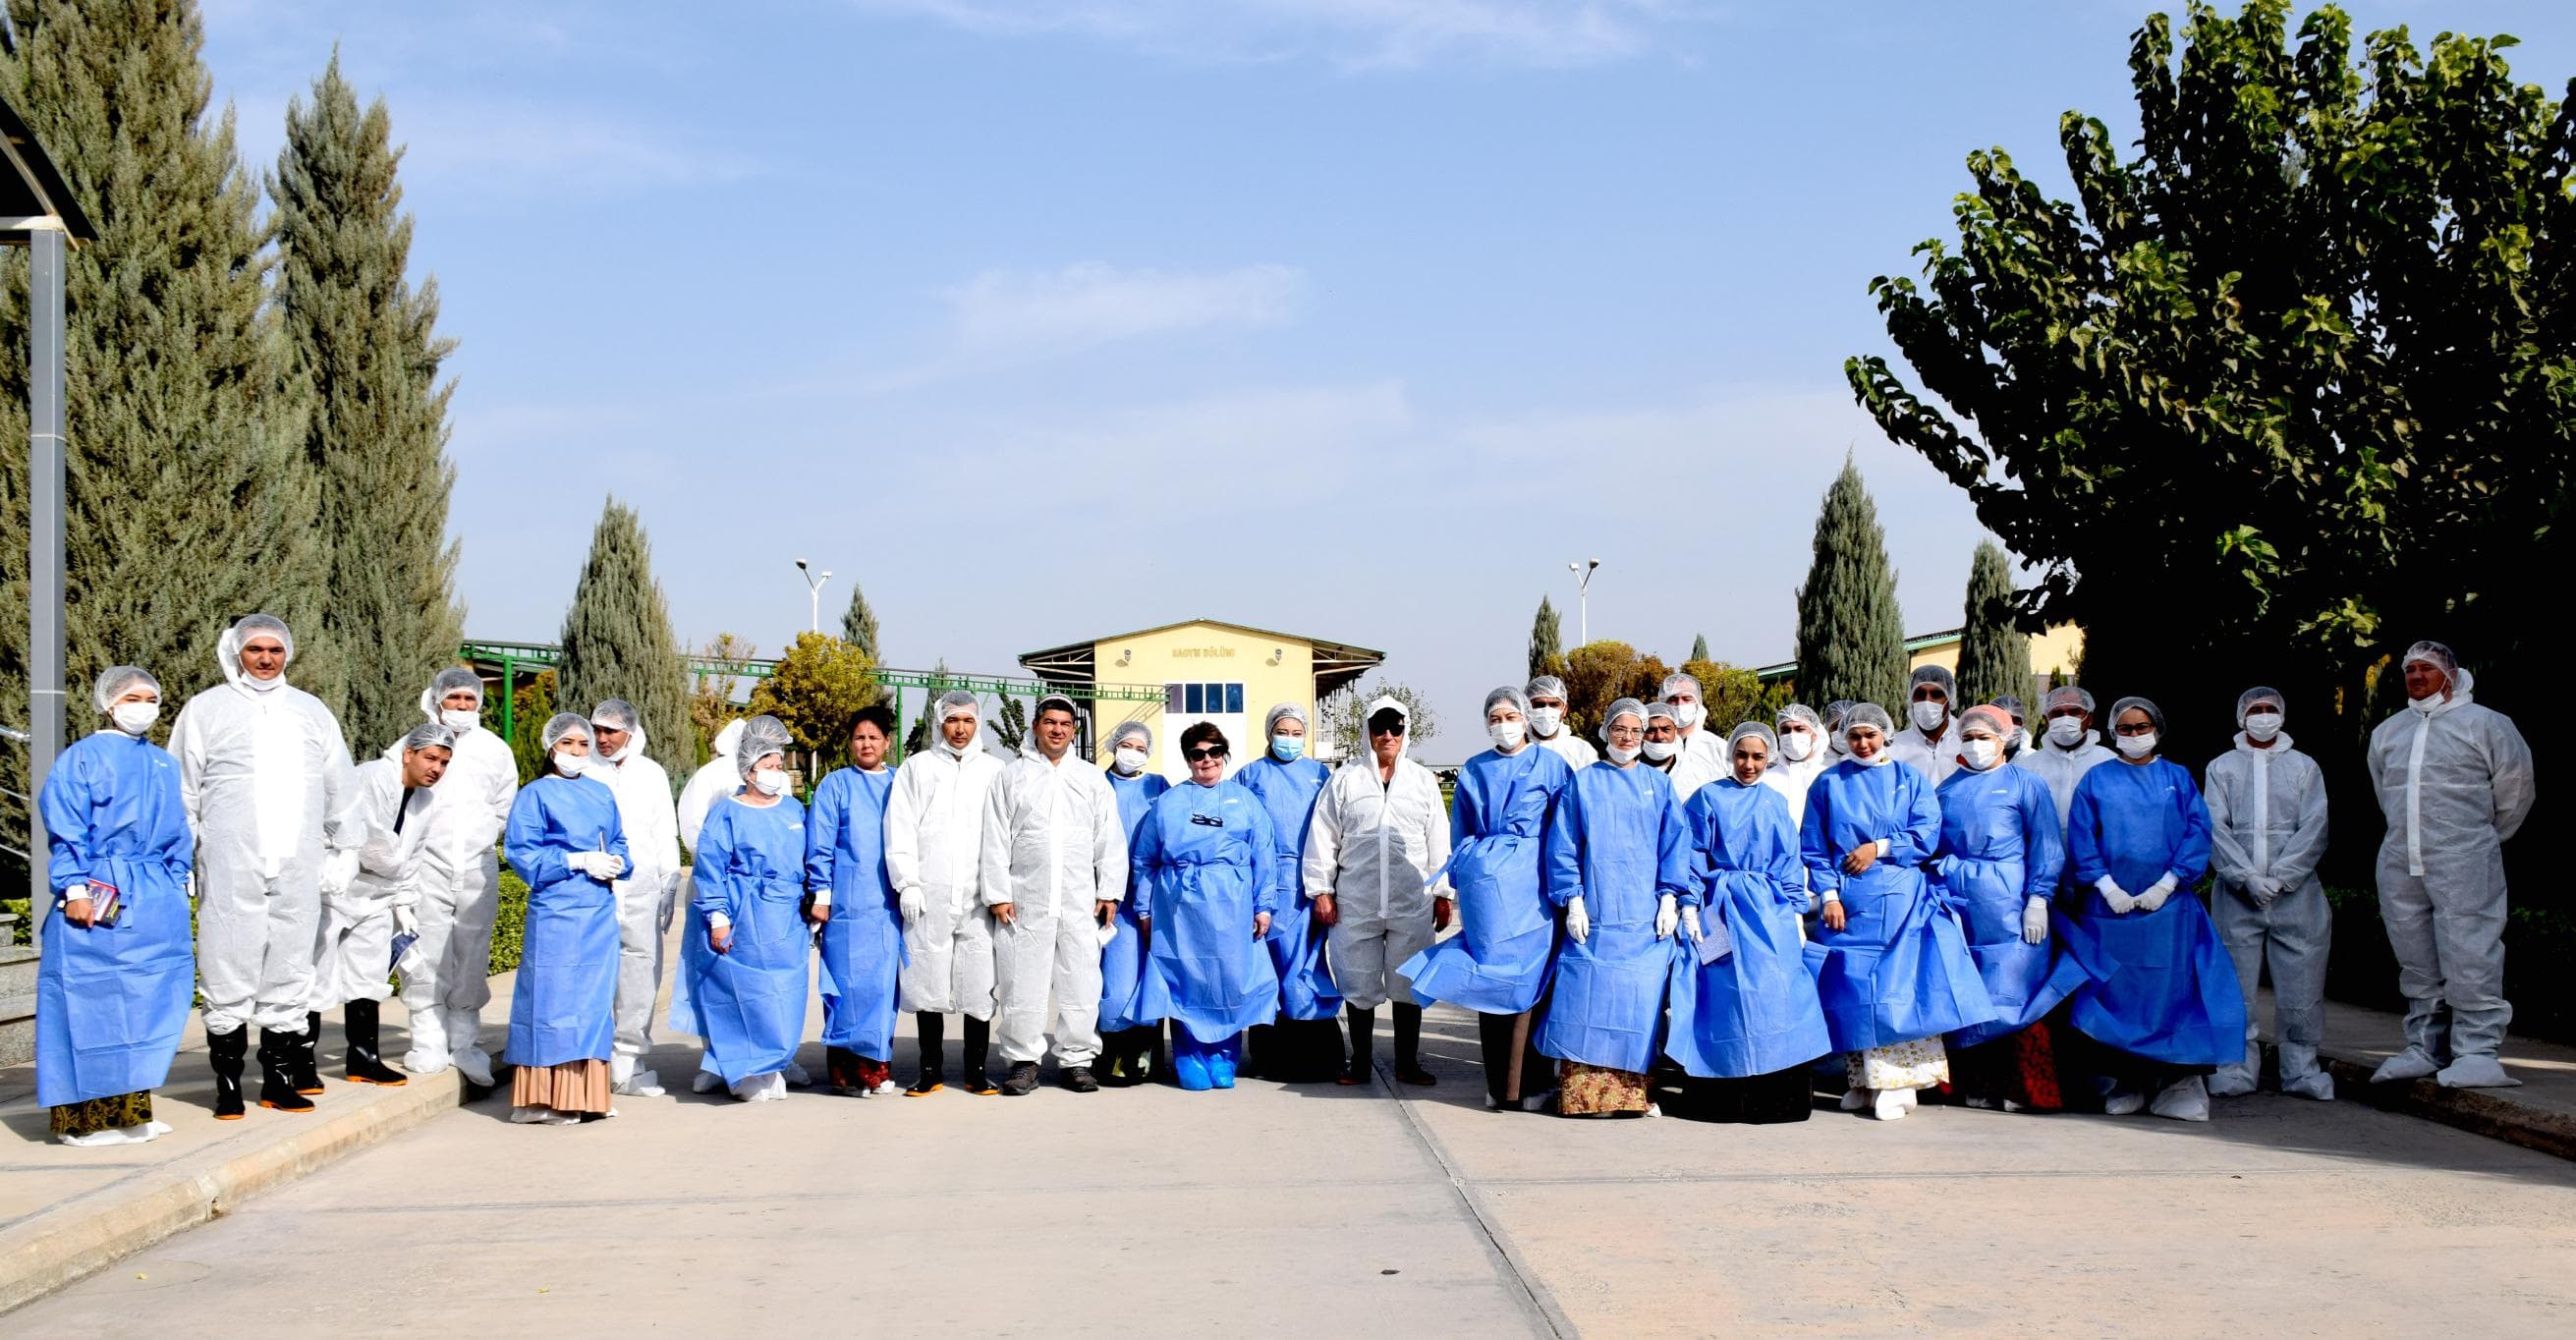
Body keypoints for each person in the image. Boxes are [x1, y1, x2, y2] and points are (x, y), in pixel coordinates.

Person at [172, 613, 360, 1115]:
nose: (265, 658)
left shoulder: (310, 711)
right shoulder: (206, 710)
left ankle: (277, 1077)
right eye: (255, 649)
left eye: (275, 650)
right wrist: (181, 853)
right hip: (230, 859)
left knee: (290, 964)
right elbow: (184, 788)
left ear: (287, 655)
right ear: (236, 652)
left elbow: (339, 783)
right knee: (226, 961)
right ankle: (228, 1081)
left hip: (297, 860)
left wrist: (346, 848)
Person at [1804, 704, 1995, 1121]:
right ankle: (1864, 1078)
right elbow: (1815, 848)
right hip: (1849, 905)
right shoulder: (1828, 784)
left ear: (1885, 735)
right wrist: (1830, 896)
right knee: (1853, 989)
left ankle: (1900, 1082)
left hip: (1902, 900)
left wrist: (1880, 847)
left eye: (1870, 735)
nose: (1863, 743)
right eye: (1854, 736)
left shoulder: (1908, 780)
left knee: (1898, 990)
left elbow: (1927, 833)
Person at [2057, 698, 2243, 1122]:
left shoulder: (2176, 778)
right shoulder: (2097, 780)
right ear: (2112, 731)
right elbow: (2083, 837)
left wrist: (2168, 882)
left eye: (2142, 727)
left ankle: (2177, 1083)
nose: (2134, 734)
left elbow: (2198, 833)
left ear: (2157, 729)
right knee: (2119, 996)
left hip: (2169, 914)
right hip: (2110, 914)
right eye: (2126, 728)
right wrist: (2105, 884)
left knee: (2172, 993)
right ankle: (2128, 1081)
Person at [2366, 642, 2536, 1089]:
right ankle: (2426, 1046)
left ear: (2452, 674)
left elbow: (2515, 794)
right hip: (2402, 857)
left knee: (2471, 952)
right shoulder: (2389, 732)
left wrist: (2475, 841)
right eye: (2410, 669)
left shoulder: (2487, 725)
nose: (2417, 676)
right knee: (2416, 957)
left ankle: (2477, 1051)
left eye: (2427, 668)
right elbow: (2387, 795)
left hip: (2465, 858)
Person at [34, 667, 195, 1143]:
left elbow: (176, 832)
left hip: (152, 896)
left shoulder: (164, 765)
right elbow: (67, 827)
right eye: (132, 697)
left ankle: (131, 1113)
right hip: (99, 889)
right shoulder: (80, 759)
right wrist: (75, 889)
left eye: (151, 698)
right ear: (108, 702)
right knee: (92, 1003)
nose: (143, 706)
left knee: (147, 1000)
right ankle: (82, 1123)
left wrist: (175, 880)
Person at [1401, 686, 1575, 1112]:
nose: (1503, 724)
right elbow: (1461, 830)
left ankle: (1533, 1084)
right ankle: (1499, 1085)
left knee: (1535, 984)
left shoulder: (1552, 767)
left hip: (1534, 887)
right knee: (1491, 980)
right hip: (1486, 889)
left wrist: (1567, 892)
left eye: (1510, 716)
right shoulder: (1475, 769)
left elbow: (1566, 832)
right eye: (1495, 717)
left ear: (1525, 718)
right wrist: (1464, 880)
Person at [1665, 722, 1833, 1123]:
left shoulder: (1774, 803)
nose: (1749, 764)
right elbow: (1691, 855)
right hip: (1718, 909)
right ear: (1730, 756)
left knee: (1776, 996)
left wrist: (1795, 910)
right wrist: (1688, 904)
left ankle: (1775, 1099)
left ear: (1769, 758)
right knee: (1721, 997)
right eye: (1742, 755)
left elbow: (1789, 859)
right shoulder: (1707, 799)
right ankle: (1721, 1097)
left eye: (1758, 757)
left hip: (1768, 911)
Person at [1537, 699, 1692, 1116]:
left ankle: (1635, 1097)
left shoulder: (1658, 786)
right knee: (1584, 1002)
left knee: (1639, 1008)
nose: (1628, 738)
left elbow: (1674, 846)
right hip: (1596, 918)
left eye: (1636, 732)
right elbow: (1565, 845)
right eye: (1620, 729)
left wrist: (1669, 898)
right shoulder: (1583, 783)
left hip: (1644, 922)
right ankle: (1584, 1098)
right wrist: (1573, 900)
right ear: (1605, 732)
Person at [1932, 705, 2078, 1111]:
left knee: (2017, 994)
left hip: (2012, 905)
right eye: (1969, 737)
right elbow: (1930, 847)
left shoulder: (2025, 785)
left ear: (2005, 740)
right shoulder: (1947, 790)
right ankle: (1975, 1086)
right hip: (1960, 903)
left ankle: (2024, 1089)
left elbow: (2046, 845)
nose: (1976, 745)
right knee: (1969, 995)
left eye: (1984, 737)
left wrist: (2038, 899)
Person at [980, 695, 1127, 1095]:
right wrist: (997, 892)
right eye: (1049, 722)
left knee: (1081, 983)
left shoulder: (1092, 778)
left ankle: (1077, 1060)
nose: (1057, 729)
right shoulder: (1012, 777)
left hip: (1080, 900)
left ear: (1074, 731)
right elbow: (994, 839)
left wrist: (1110, 891)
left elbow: (1109, 838)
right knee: (1021, 983)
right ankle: (1023, 1061)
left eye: (1064, 723)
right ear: (1036, 727)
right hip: (1024, 900)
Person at [1305, 696, 1449, 1087]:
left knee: (1408, 982)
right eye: (1379, 727)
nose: (1387, 735)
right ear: (1368, 731)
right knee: (1358, 979)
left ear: (1406, 731)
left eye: (1395, 727)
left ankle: (1407, 1064)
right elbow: (1323, 837)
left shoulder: (1422, 782)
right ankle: (1362, 1062)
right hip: (1357, 900)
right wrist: (1321, 890)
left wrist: (1442, 893)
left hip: (1411, 901)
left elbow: (1438, 841)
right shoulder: (1345, 780)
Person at [1133, 722, 1279, 1090]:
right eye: (1198, 754)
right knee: (1186, 979)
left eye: (1214, 752)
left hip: (1232, 904)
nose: (1207, 760)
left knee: (1229, 979)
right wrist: (1145, 910)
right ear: (1187, 759)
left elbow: (1264, 854)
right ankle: (1188, 1054)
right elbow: (1145, 859)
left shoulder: (1244, 800)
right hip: (1179, 908)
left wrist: (1264, 906)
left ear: (1224, 756)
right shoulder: (1169, 802)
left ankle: (1224, 1054)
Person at [2205, 686, 2333, 1100]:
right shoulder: (2222, 767)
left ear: (2282, 714)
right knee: (2235, 988)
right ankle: (2235, 1067)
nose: (2262, 715)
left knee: (2302, 985)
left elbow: (2315, 827)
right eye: (2255, 709)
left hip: (2297, 896)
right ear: (2241, 716)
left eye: (2270, 709)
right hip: (2236, 896)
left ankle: (2302, 1069)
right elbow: (2214, 827)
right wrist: (2245, 877)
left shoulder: (2303, 767)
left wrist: (2281, 877)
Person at [502, 713, 631, 1124]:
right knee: (551, 1002)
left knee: (592, 1004)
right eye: (567, 744)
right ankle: (541, 1099)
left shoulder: (600, 793)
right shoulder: (535, 795)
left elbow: (619, 840)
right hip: (556, 911)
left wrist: (616, 860)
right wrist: (574, 860)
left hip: (597, 913)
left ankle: (587, 1095)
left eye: (582, 744)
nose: (577, 752)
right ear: (550, 747)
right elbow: (522, 853)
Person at [311, 722, 451, 1090]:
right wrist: (396, 867)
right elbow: (368, 837)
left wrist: (405, 903)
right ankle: (299, 1062)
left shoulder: (426, 800)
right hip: (337, 889)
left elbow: (414, 852)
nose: (436, 768)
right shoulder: (372, 777)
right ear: (408, 753)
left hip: (378, 896)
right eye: (430, 758)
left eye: (444, 762)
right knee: (313, 973)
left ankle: (363, 1059)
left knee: (369, 975)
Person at [396, 667, 518, 1085]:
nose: (462, 707)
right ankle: (427, 1038)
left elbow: (503, 807)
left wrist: (478, 840)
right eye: (454, 699)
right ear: (436, 700)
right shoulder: (412, 744)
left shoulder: (495, 750)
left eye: (470, 700)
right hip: (426, 861)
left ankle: (464, 1042)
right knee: (428, 950)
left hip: (476, 863)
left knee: (472, 951)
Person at [689, 715, 812, 1102]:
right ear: (748, 770)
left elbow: (807, 861)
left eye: (779, 765)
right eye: (768, 767)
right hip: (745, 914)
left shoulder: (792, 812)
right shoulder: (727, 813)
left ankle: (774, 1063)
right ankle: (743, 1070)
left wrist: (813, 905)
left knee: (785, 994)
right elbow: (711, 868)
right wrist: (719, 918)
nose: (776, 772)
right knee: (746, 993)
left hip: (786, 919)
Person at [885, 692, 1002, 1095]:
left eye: (968, 721)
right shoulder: (917, 769)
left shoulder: (994, 770)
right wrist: (908, 883)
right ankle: (930, 1071)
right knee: (927, 979)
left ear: (978, 725)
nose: (960, 729)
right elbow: (900, 828)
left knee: (979, 982)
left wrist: (1000, 889)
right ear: (940, 723)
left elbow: (1005, 834)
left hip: (979, 896)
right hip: (929, 894)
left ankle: (977, 1071)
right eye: (952, 720)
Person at [1234, 701, 1344, 1082]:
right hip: (1263, 881)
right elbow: (1238, 829)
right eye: (1283, 731)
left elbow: (1333, 829)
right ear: (1269, 733)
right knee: (1266, 970)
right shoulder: (1249, 775)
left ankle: (1317, 1056)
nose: (1290, 740)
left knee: (1307, 968)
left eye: (1298, 733)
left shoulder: (1320, 775)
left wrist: (1326, 884)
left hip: (1309, 882)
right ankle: (1266, 1057)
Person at [807, 706, 906, 1095]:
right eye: (859, 737)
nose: (866, 744)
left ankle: (877, 1068)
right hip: (848, 904)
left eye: (874, 737)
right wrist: (822, 894)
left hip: (888, 905)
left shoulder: (900, 782)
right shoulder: (836, 785)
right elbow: (821, 842)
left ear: (886, 743)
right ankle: (848, 1074)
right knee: (847, 985)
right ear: (850, 743)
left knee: (882, 989)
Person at [588, 698, 682, 1098]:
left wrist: (669, 878)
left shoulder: (650, 773)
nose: (602, 739)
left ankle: (629, 1059)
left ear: (630, 731)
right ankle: (593, 1061)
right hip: (593, 885)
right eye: (597, 730)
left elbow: (664, 828)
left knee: (641, 971)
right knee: (595, 971)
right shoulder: (585, 769)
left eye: (610, 731)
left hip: (641, 885)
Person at [1096, 721, 1171, 1085]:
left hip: (1153, 900)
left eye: (1140, 748)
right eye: (1126, 744)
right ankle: (1109, 1060)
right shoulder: (1096, 784)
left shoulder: (1159, 787)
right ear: (1113, 746)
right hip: (1109, 902)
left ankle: (1146, 1060)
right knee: (1116, 984)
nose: (1132, 752)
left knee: (1150, 982)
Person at [2015, 686, 2114, 833]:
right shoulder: (2026, 766)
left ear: (2090, 719)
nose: (2065, 718)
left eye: (2075, 712)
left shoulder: (2109, 763)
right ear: (2046, 719)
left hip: (2096, 853)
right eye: (2057, 713)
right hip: (2041, 853)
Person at [1888, 664, 1963, 785]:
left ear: (1950, 699)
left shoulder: (1965, 741)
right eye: (1920, 694)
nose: (1927, 701)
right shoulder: (1894, 747)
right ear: (1911, 699)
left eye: (1936, 694)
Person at [1764, 703, 1830, 828]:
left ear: (1815, 734)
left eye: (1799, 729)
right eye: (1785, 730)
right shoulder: (1766, 779)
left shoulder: (1827, 777)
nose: (1792, 735)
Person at [1525, 675, 1597, 769]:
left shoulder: (1582, 752)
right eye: (1539, 705)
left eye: (1554, 705)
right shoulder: (1514, 750)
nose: (1547, 710)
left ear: (1565, 710)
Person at [1662, 672, 1727, 776]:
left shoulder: (1718, 747)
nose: (1680, 704)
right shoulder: (1650, 747)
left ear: (1697, 703)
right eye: (1673, 699)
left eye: (1687, 699)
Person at [1989, 695, 2031, 761]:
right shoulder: (1975, 755)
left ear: (2022, 722)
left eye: (2015, 720)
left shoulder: (2031, 759)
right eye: (2003, 720)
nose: (2010, 725)